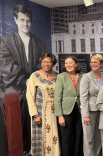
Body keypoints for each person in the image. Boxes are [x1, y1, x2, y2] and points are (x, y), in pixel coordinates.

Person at [0, 4, 47, 154]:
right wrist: (24, 80)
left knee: (35, 126)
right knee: (14, 130)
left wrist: (33, 81)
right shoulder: (5, 41)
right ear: (15, 20)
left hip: (33, 91)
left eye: (28, 20)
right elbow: (5, 65)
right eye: (22, 20)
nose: (25, 24)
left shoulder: (39, 43)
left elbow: (43, 64)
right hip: (12, 90)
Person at [26, 53, 60, 156]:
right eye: (43, 61)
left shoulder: (58, 76)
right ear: (41, 63)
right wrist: (35, 115)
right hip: (40, 114)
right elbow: (30, 96)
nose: (46, 64)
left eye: (49, 61)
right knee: (41, 140)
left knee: (54, 138)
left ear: (53, 63)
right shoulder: (34, 76)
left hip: (55, 114)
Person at [54, 56, 84, 156]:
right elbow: (57, 97)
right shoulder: (61, 77)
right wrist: (60, 115)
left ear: (76, 64)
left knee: (79, 136)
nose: (67, 65)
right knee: (66, 137)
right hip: (66, 111)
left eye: (70, 63)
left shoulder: (83, 76)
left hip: (80, 111)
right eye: (66, 63)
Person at [80, 54, 103, 156]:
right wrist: (85, 115)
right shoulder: (86, 77)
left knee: (99, 137)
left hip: (102, 112)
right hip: (89, 112)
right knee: (89, 139)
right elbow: (83, 97)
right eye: (91, 62)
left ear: (101, 64)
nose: (93, 64)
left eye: (96, 62)